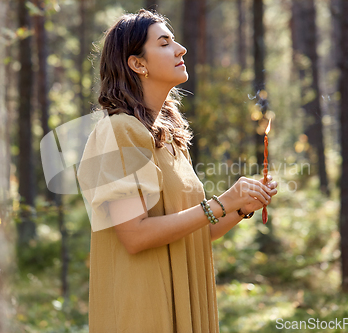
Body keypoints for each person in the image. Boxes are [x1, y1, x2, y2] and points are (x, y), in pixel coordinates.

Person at [77, 8, 278, 333]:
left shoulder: (169, 137)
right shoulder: (119, 131)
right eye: (165, 42)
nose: (180, 48)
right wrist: (221, 203)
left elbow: (195, 230)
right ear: (137, 63)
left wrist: (241, 207)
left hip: (185, 297)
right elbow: (135, 235)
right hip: (143, 309)